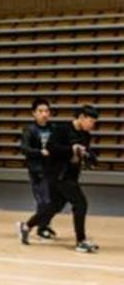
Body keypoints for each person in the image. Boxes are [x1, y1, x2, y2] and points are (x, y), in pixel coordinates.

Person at [19, 105, 100, 253]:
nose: (92, 125)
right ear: (81, 117)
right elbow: (51, 148)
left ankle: (26, 226)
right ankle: (81, 241)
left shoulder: (85, 135)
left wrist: (90, 158)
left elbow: (87, 152)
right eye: (90, 121)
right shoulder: (62, 129)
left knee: (55, 206)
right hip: (58, 175)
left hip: (71, 175)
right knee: (80, 204)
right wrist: (71, 149)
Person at [19, 98, 57, 240]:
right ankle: (40, 227)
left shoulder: (53, 129)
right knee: (43, 201)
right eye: (40, 111)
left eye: (46, 111)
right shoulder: (29, 130)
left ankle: (43, 225)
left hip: (52, 169)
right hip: (37, 170)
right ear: (34, 113)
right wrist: (40, 152)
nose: (44, 114)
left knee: (51, 201)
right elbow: (24, 148)